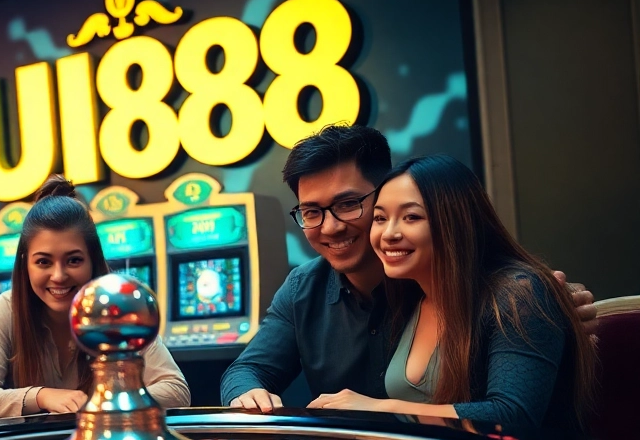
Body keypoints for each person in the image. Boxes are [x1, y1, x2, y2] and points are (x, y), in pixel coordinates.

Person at [220, 124, 596, 412]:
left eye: (348, 204)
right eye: (311, 212)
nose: (330, 226)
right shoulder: (304, 287)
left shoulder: (435, 275)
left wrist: (550, 305)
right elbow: (244, 371)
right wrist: (247, 395)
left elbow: (512, 409)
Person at [307, 155, 596, 429]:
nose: (389, 233)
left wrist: (381, 407)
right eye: (380, 219)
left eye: (411, 217)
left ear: (455, 222)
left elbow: (511, 416)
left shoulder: (517, 294)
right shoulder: (407, 297)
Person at [0, 176, 190, 419]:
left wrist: (102, 404)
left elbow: (176, 390)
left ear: (92, 261)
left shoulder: (117, 305)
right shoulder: (8, 308)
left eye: (74, 260)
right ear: (25, 264)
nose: (59, 276)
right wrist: (41, 396)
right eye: (43, 262)